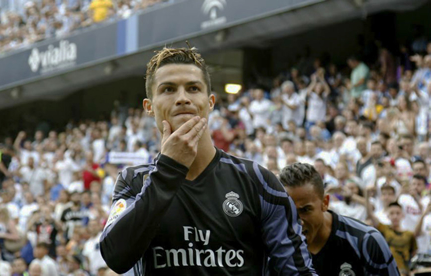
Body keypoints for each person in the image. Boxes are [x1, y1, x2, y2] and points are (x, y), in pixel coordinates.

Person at [100, 46, 315, 275]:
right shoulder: (133, 181)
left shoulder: (258, 181)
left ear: (210, 101)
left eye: (193, 88)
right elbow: (116, 257)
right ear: (149, 107)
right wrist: (167, 170)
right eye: (168, 89)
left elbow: (298, 272)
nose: (182, 99)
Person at [279, 162, 398, 275]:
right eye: (288, 211)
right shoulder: (274, 247)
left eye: (305, 210)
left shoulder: (365, 241)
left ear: (325, 203)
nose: (298, 221)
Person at [367, 202, 417, 275]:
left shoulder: (409, 234)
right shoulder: (384, 229)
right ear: (388, 216)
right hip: (387, 270)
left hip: (404, 272)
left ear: (402, 215)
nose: (395, 216)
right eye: (392, 213)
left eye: (397, 213)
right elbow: (370, 214)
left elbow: (414, 254)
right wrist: (366, 194)